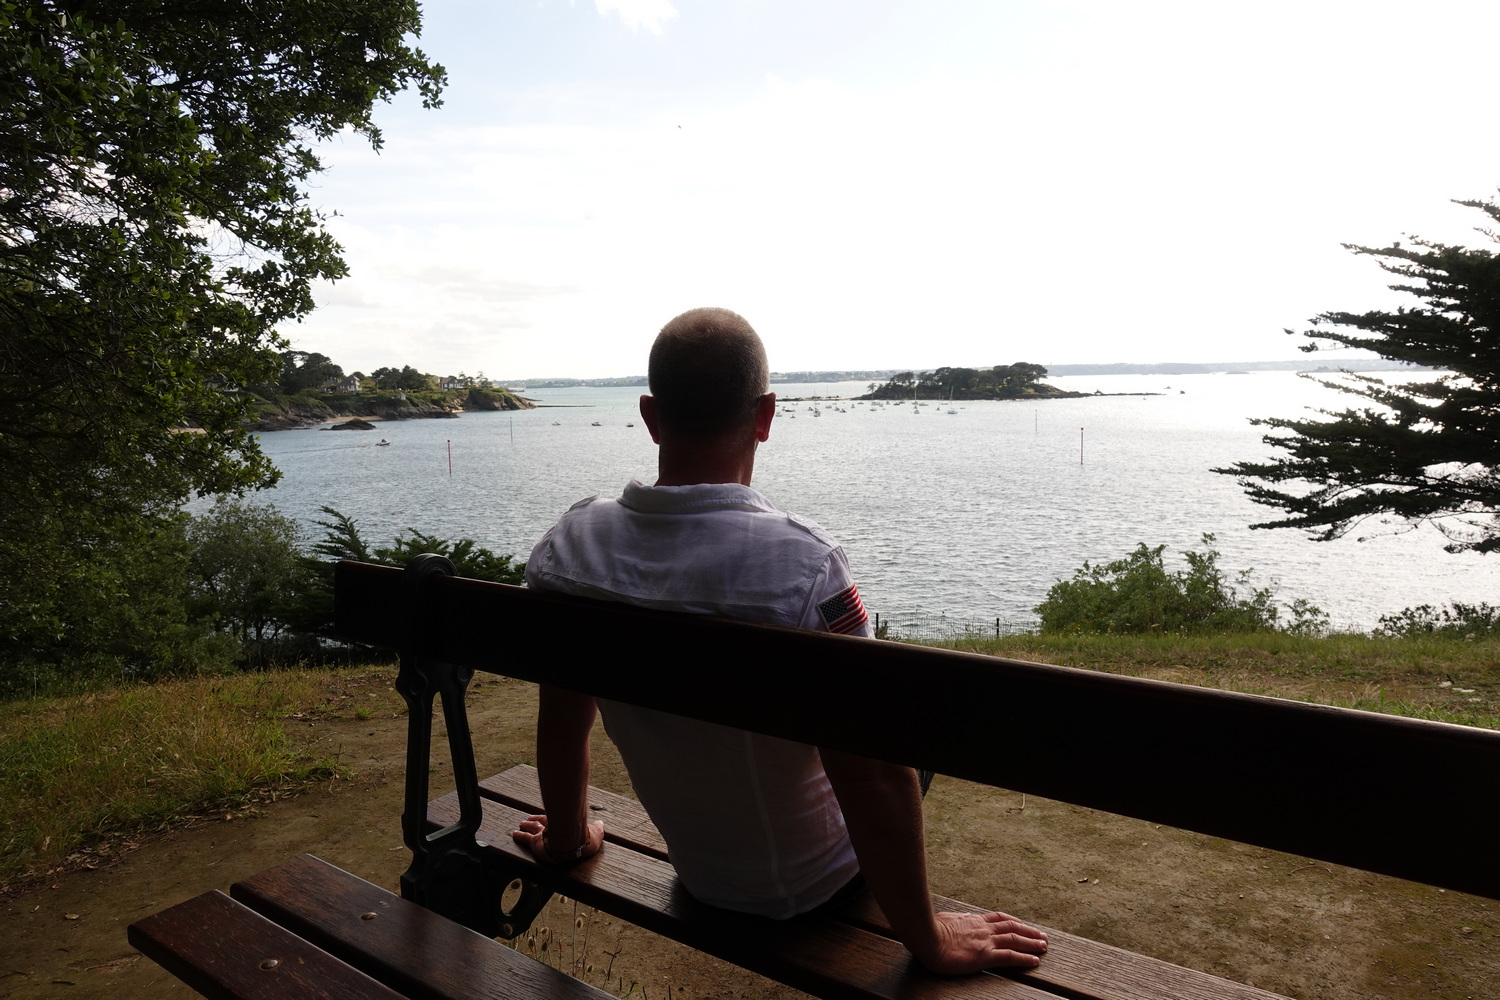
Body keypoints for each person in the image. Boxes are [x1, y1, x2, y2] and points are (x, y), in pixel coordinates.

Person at [512, 307, 1047, 975]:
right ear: (764, 416)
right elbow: (875, 773)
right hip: (808, 887)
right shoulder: (803, 565)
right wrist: (928, 938)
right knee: (906, 736)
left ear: (651, 416)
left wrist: (567, 840)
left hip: (702, 876)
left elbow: (563, 719)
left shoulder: (571, 547)